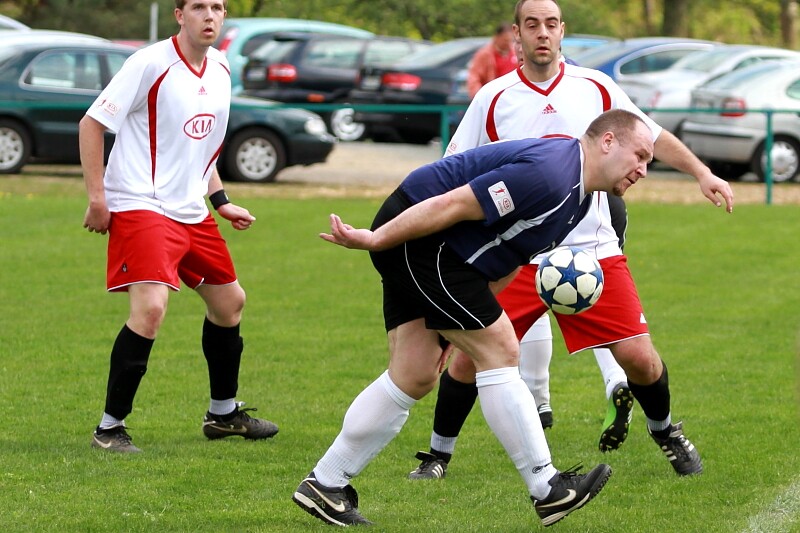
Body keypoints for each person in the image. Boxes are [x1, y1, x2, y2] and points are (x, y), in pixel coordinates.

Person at [408, 0, 734, 481]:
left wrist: (702, 172)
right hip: (518, 254)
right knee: (470, 360)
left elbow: (650, 134)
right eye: (532, 25)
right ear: (517, 34)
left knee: (640, 360)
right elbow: (454, 168)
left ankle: (665, 431)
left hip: (591, 251)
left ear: (563, 31)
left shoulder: (595, 86)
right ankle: (437, 456)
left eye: (551, 24)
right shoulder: (494, 98)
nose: (542, 33)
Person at [291, 109, 659, 528]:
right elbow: (453, 204)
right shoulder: (550, 176)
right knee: (500, 348)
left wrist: (462, 323)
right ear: (607, 142)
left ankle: (326, 483)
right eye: (640, 156)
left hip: (439, 249)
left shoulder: (580, 197)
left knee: (415, 373)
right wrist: (377, 239)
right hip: (420, 234)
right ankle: (547, 488)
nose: (644, 170)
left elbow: (510, 257)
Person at [79, 0, 278, 453]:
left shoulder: (221, 67)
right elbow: (90, 125)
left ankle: (222, 415)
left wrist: (221, 201)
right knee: (150, 309)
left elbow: (198, 147)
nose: (210, 16)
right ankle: (109, 429)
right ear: (179, 15)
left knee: (229, 303)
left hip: (191, 209)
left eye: (217, 7)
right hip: (141, 204)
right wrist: (97, 198)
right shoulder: (149, 63)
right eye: (199, 7)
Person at [466, 23, 519, 98]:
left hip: (512, 96)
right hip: (493, 96)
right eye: (505, 40)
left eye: (510, 40)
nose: (507, 43)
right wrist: (480, 97)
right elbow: (474, 77)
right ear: (497, 37)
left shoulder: (516, 53)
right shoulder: (485, 54)